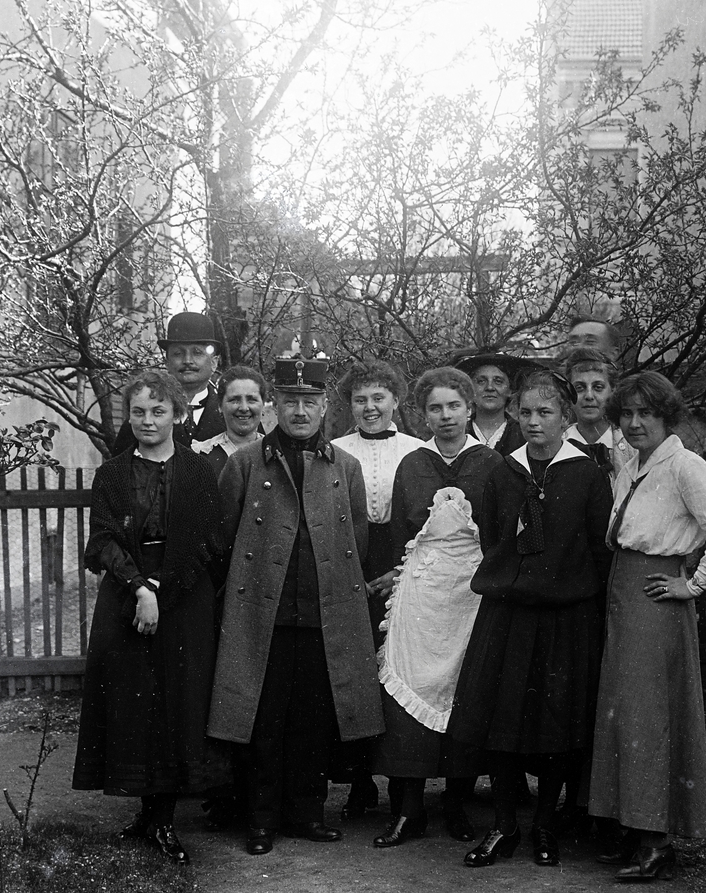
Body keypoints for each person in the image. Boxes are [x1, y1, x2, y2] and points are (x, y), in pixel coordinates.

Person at [207, 357, 383, 855]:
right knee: (263, 719)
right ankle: (261, 819)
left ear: (325, 407)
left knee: (313, 718)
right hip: (265, 616)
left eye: (310, 402)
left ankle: (307, 813)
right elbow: (222, 539)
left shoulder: (344, 467)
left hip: (325, 615)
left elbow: (359, 541)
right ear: (273, 407)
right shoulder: (245, 464)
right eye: (290, 402)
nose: (300, 411)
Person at [447, 368, 613, 870]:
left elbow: (597, 549)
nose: (535, 422)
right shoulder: (503, 474)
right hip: (510, 616)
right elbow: (494, 538)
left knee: (556, 722)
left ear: (566, 417)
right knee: (501, 720)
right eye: (527, 413)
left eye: (546, 413)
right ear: (515, 417)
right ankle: (505, 824)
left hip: (566, 619)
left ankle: (545, 823)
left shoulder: (586, 474)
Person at [588, 370, 706, 882]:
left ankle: (657, 841)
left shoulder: (686, 467)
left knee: (647, 714)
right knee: (622, 712)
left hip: (655, 596)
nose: (634, 424)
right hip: (623, 588)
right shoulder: (631, 462)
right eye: (627, 414)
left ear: (666, 417)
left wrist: (693, 585)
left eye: (646, 415)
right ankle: (635, 829)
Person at [72, 368, 225, 865]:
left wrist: (160, 589)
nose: (147, 420)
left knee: (176, 703)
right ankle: (144, 813)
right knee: (134, 702)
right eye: (138, 411)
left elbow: (206, 541)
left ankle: (164, 821)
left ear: (177, 415)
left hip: (183, 597)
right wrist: (139, 587)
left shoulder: (199, 471)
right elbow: (103, 540)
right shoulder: (113, 474)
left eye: (158, 411)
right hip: (126, 595)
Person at [369, 365, 502, 845]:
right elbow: (402, 534)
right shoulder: (413, 464)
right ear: (422, 414)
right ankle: (407, 808)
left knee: (462, 692)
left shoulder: (491, 463)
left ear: (470, 409)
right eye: (435, 408)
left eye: (454, 406)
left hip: (471, 593)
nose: (445, 416)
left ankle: (457, 803)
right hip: (421, 594)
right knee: (410, 686)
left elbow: (502, 533)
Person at [330, 360, 425, 819]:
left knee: (399, 669)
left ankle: (405, 784)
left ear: (395, 401)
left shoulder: (416, 451)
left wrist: (397, 569)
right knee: (353, 671)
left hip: (401, 561)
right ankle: (360, 781)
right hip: (349, 560)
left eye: (378, 398)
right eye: (360, 399)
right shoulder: (333, 450)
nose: (370, 408)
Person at [114, 312, 225, 452]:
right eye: (178, 353)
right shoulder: (142, 418)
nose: (188, 361)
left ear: (214, 363)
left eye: (197, 353)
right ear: (167, 363)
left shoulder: (231, 414)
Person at [193, 364, 269, 476]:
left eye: (251, 400)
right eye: (235, 400)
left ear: (263, 404)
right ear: (220, 405)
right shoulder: (201, 455)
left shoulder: (277, 454)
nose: (244, 408)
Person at [563, 348, 628, 477]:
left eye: (598, 387)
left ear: (613, 391)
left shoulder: (631, 445)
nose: (589, 396)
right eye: (579, 388)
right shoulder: (557, 443)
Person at [453, 351, 527, 456]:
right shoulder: (457, 433)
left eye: (498, 381)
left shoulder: (523, 435)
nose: (490, 387)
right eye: (481, 381)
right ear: (470, 389)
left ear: (510, 390)